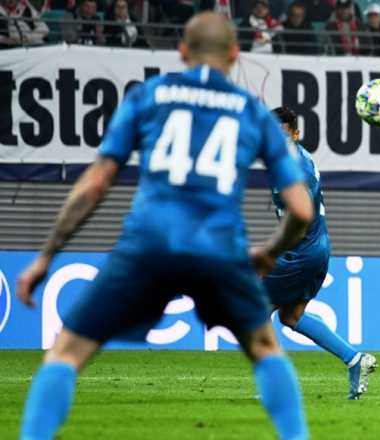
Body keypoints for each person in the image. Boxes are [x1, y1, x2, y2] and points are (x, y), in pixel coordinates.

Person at [17, 12, 312, 440]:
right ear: (234, 53)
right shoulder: (254, 114)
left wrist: (47, 255)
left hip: (147, 245)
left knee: (66, 352)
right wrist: (268, 251)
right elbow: (301, 211)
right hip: (220, 251)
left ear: (182, 52)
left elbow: (94, 185)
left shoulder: (148, 96)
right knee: (266, 349)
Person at [266, 107, 378, 400]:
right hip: (316, 249)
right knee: (292, 316)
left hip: (300, 252)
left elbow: (299, 219)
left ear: (295, 133)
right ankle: (354, 359)